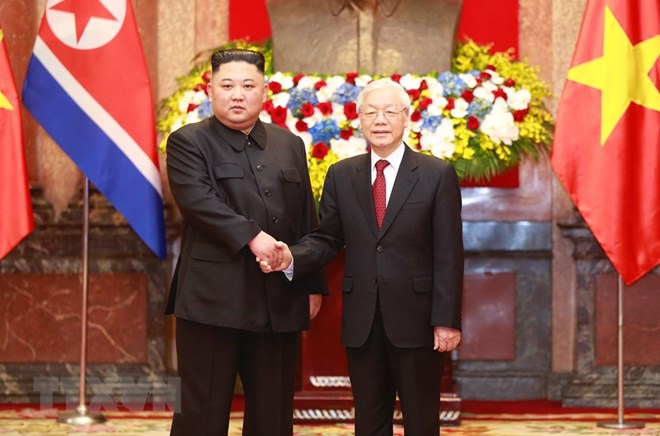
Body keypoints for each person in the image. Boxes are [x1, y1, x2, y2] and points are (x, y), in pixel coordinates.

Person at [261, 78, 463, 435]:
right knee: (369, 421)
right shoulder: (342, 174)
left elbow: (449, 253)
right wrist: (290, 256)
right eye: (371, 112)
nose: (380, 120)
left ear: (407, 118)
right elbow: (327, 238)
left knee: (421, 419)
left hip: (418, 321)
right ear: (359, 120)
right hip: (363, 320)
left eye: (389, 112)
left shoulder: (436, 174)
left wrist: (446, 319)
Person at [165, 48, 326, 436]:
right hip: (211, 303)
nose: (238, 94)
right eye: (228, 85)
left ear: (265, 91)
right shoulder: (188, 142)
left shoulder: (289, 144)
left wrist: (312, 282)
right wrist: (254, 237)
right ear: (210, 90)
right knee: (201, 417)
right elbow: (199, 204)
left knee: (273, 418)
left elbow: (307, 216)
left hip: (278, 304)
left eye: (248, 85)